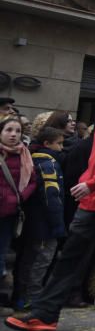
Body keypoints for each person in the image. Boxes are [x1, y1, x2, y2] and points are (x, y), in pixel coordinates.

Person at [5, 72, 95, 331]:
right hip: (94, 200)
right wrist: (88, 181)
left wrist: (91, 183)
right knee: (70, 256)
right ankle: (45, 314)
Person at [12, 127, 66, 310]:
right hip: (45, 223)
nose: (61, 148)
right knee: (40, 261)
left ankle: (21, 295)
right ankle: (32, 297)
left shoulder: (31, 159)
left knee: (29, 259)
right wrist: (58, 225)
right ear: (47, 144)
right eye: (59, 143)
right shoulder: (48, 163)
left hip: (33, 221)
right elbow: (52, 196)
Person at [0, 117, 38, 294]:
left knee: (1, 254)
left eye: (17, 131)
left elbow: (32, 180)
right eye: (9, 130)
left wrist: (20, 198)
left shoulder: (25, 154)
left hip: (9, 213)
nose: (13, 134)